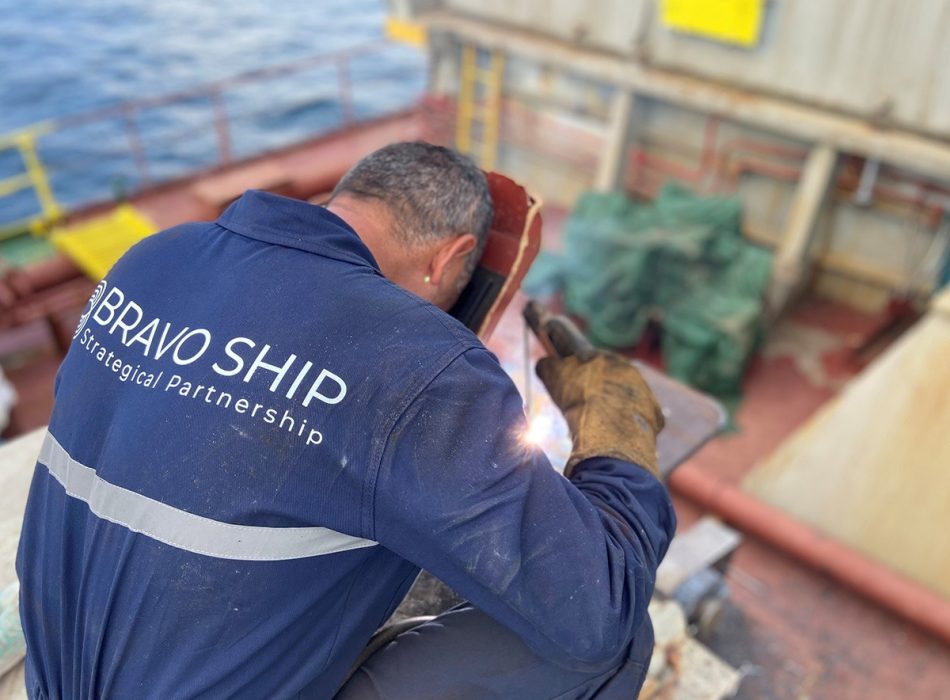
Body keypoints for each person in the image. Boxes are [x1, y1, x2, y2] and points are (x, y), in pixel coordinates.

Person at [16, 142, 675, 699]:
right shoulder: (412, 357)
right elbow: (597, 608)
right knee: (614, 640)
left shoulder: (152, 259)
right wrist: (619, 428)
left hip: (58, 678)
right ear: (450, 260)